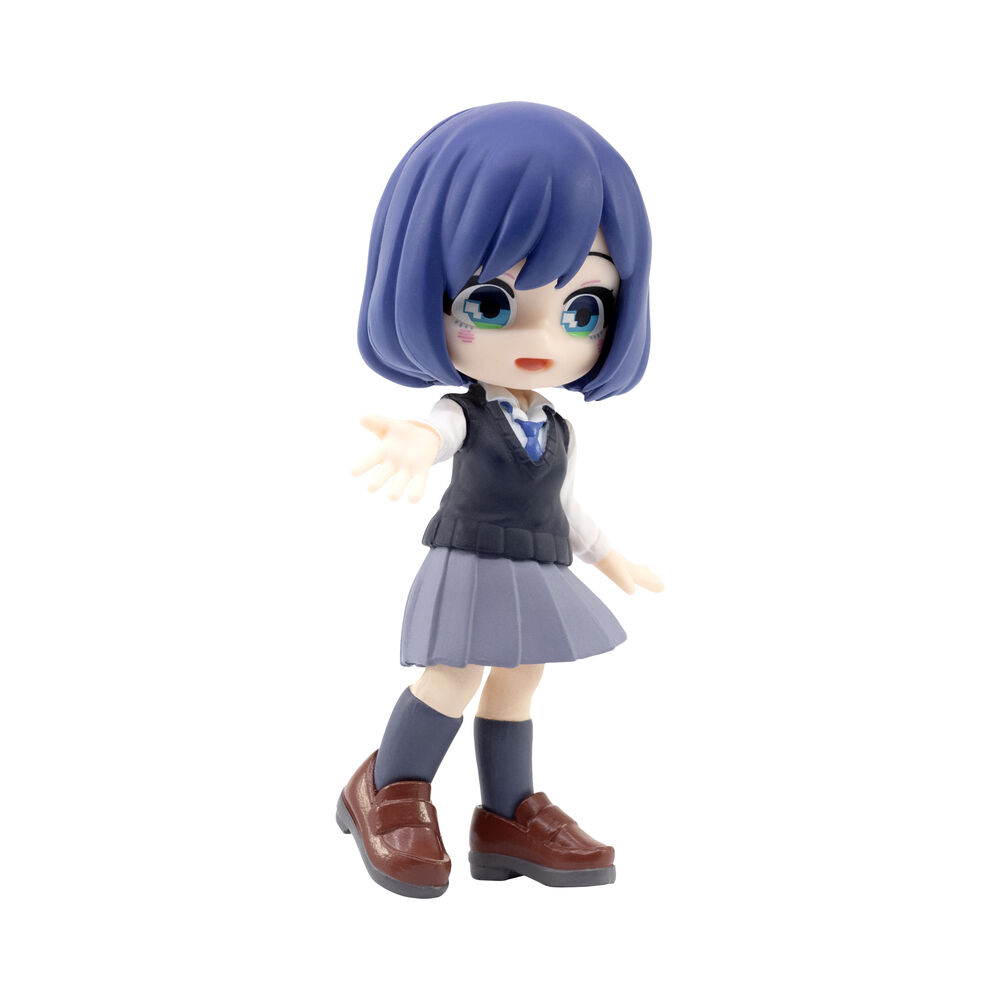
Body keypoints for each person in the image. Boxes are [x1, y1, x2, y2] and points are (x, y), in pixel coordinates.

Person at [337, 102, 663, 898]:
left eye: (582, 310)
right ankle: (390, 787)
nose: (544, 341)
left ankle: (508, 813)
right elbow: (437, 433)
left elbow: (569, 510)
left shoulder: (558, 427)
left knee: (520, 681)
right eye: (491, 302)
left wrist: (612, 558)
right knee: (453, 674)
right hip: (475, 558)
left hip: (539, 564)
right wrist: (414, 444)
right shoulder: (467, 411)